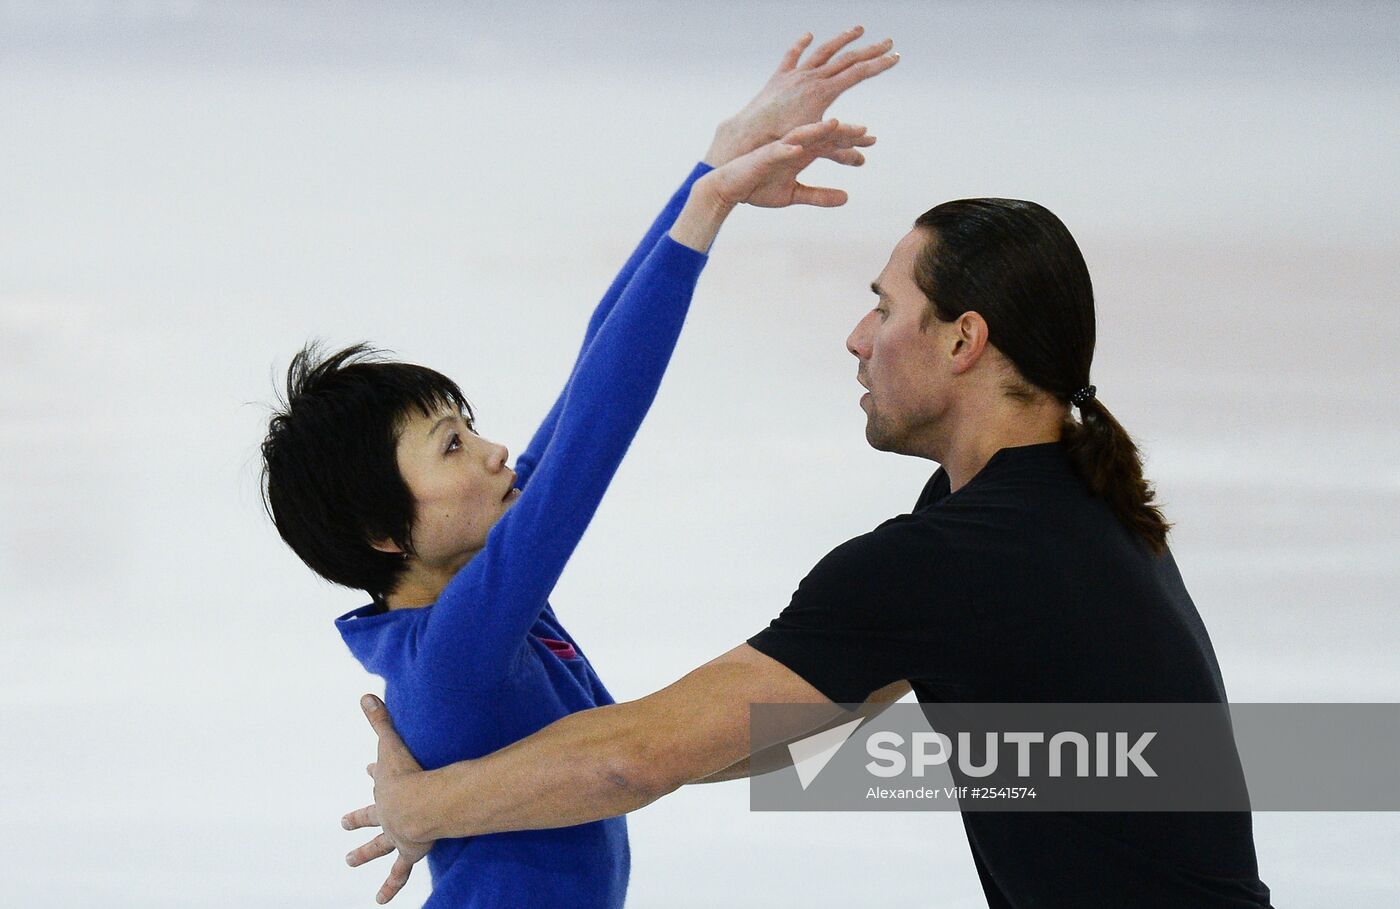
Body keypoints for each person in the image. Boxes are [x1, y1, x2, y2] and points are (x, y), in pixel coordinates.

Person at [342, 171, 1274, 905]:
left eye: (884, 306)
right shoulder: (1067, 494)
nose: (857, 337)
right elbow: (776, 730)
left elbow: (638, 755)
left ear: (963, 340)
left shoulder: (949, 560)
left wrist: (428, 804)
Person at [260, 28, 899, 909]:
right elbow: (598, 426)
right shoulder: (455, 651)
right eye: (451, 446)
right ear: (382, 531)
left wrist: (716, 166)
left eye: (469, 427)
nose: (491, 451)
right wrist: (705, 214)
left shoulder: (478, 599)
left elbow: (593, 361)